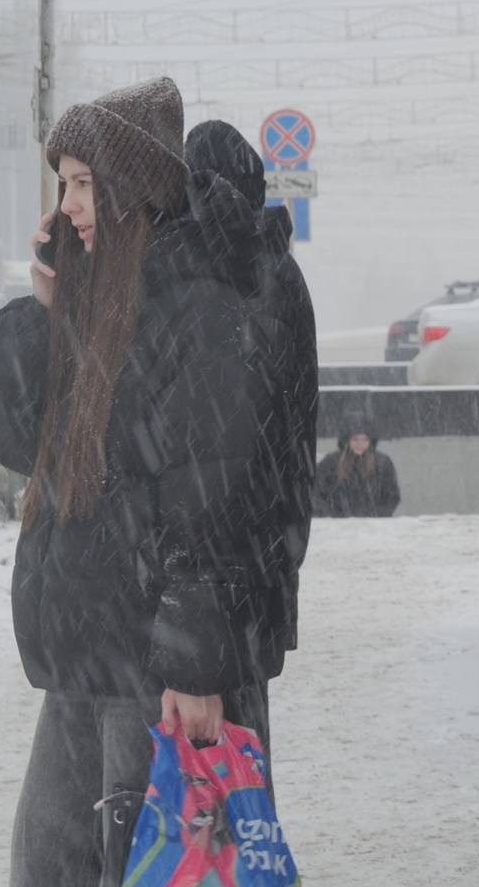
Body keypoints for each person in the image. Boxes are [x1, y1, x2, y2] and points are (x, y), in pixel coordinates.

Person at [0, 77, 288, 886]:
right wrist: (45, 306)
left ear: (129, 188)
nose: (69, 205)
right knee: (53, 863)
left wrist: (193, 667)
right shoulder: (98, 300)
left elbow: (213, 497)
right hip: (85, 657)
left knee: (142, 868)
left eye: (83, 183)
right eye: (63, 185)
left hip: (151, 667)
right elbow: (13, 435)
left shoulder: (196, 309)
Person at [183, 119, 318, 651]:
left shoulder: (193, 273)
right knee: (243, 696)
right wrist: (285, 547)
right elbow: (299, 420)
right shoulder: (284, 275)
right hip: (266, 544)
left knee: (206, 698)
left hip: (205, 557)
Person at [313, 418, 401, 518]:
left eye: (365, 439)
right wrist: (333, 515)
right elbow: (315, 494)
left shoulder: (382, 463)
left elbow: (392, 497)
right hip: (337, 524)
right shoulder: (330, 462)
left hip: (374, 524)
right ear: (347, 440)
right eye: (355, 439)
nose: (360, 444)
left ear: (371, 441)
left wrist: (375, 516)